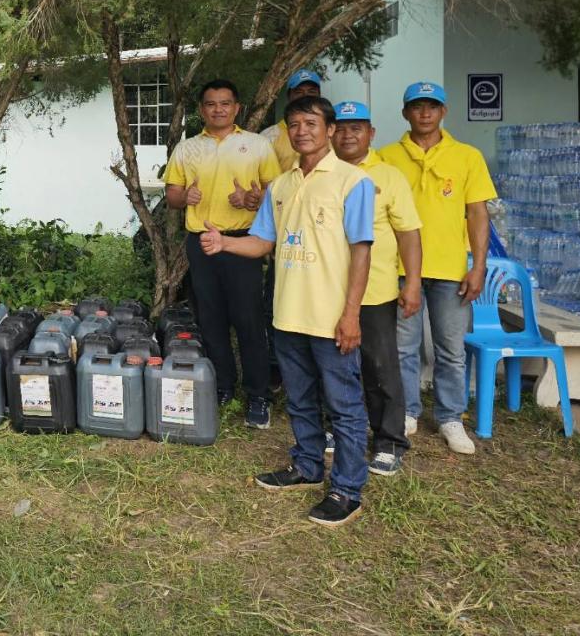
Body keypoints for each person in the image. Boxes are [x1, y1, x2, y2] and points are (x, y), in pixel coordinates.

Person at [201, 95, 375, 528]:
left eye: (311, 123)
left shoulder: (353, 182)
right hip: (287, 316)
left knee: (344, 405)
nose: (302, 131)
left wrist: (351, 314)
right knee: (299, 401)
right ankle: (307, 466)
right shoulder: (281, 185)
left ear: (330, 129)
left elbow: (361, 253)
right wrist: (224, 243)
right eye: (294, 124)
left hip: (331, 317)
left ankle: (347, 489)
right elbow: (262, 242)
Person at [380, 81, 497, 455]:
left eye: (432, 106)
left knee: (451, 348)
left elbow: (478, 213)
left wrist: (478, 266)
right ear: (405, 113)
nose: (425, 113)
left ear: (443, 112)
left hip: (450, 269)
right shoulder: (385, 156)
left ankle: (450, 417)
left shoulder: (467, 156)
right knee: (403, 347)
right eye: (417, 106)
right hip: (400, 268)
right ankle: (408, 411)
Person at [163, 79, 280, 428]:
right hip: (201, 244)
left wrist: (252, 200)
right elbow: (171, 195)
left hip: (243, 241)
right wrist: (187, 198)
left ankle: (258, 395)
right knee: (210, 320)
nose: (218, 109)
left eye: (225, 103)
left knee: (249, 320)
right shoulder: (187, 149)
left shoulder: (256, 145)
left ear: (237, 108)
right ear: (202, 110)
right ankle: (222, 386)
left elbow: (275, 193)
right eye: (211, 104)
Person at [333, 100, 423, 476]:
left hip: (375, 292)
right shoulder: (320, 173)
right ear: (330, 132)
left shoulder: (388, 176)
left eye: (357, 127)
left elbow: (409, 234)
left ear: (371, 134)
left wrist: (413, 283)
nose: (348, 134)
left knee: (380, 366)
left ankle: (388, 440)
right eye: (341, 127)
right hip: (325, 291)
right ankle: (336, 428)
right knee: (335, 367)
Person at [260, 69, 322, 172]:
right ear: (289, 97)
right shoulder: (269, 136)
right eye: (299, 92)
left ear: (319, 95)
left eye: (311, 92)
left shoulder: (330, 132)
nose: (305, 96)